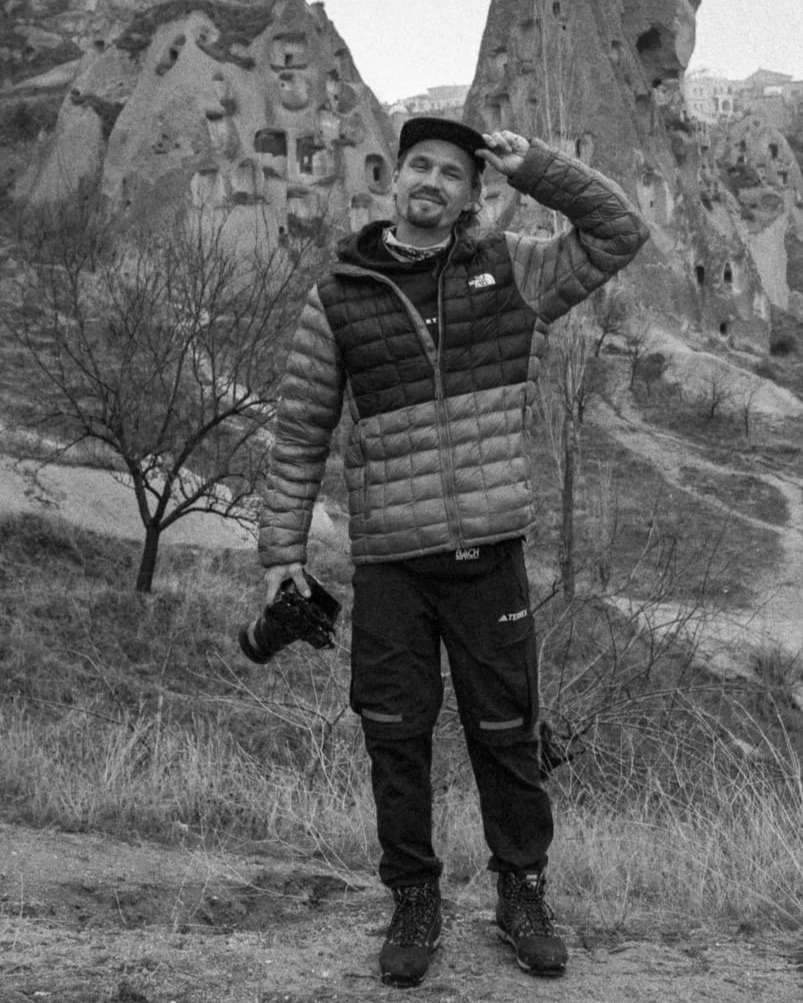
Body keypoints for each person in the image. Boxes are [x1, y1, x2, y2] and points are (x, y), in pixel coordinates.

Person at [258, 117, 649, 987]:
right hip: (391, 561)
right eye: (417, 166)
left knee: (506, 734)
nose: (431, 180)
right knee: (393, 738)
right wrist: (281, 547)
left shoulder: (511, 271)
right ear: (394, 181)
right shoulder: (337, 296)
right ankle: (414, 899)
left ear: (473, 195)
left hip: (487, 555)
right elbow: (297, 432)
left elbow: (618, 233)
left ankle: (522, 892)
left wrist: (538, 167)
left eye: (451, 172)